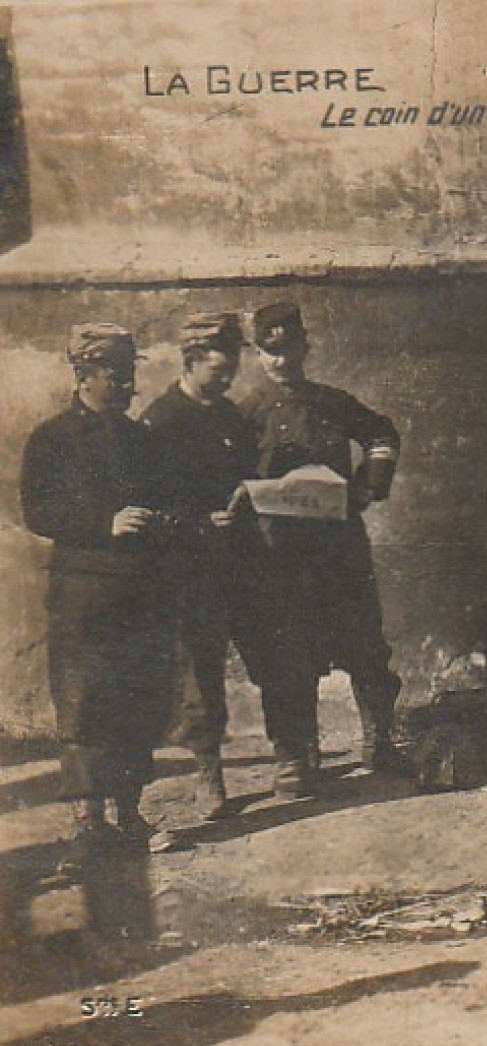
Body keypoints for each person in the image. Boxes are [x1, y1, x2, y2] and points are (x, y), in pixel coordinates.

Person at [237, 301, 405, 799]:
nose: (281, 362)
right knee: (287, 655)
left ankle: (379, 741)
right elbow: (221, 479)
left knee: (365, 647)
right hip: (278, 559)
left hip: (339, 551)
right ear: (256, 354)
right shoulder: (243, 416)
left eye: (289, 350)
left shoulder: (333, 403)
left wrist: (367, 488)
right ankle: (295, 755)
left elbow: (382, 434)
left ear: (304, 347)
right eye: (271, 353)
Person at [21, 324, 177, 855]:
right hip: (83, 593)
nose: (127, 385)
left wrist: (161, 521)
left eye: (130, 375)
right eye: (116, 375)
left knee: (135, 700)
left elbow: (165, 500)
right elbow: (37, 511)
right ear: (84, 375)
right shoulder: (53, 438)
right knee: (85, 703)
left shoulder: (144, 440)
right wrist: (103, 522)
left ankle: (130, 813)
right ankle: (88, 822)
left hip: (139, 591)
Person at [142, 312, 259, 820]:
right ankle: (209, 777)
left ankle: (297, 760)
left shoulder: (230, 416)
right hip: (185, 569)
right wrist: (195, 521)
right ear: (190, 364)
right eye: (217, 370)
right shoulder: (161, 420)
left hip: (236, 563)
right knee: (200, 673)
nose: (227, 378)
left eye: (231, 369)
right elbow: (144, 502)